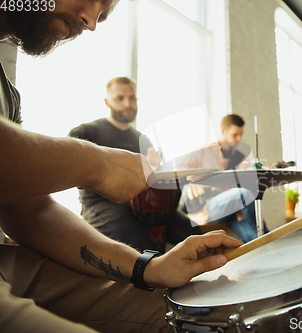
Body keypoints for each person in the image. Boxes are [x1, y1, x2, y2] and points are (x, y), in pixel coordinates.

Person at [0, 3, 242, 333]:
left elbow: (32, 211)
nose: (90, 23)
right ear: (109, 102)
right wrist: (96, 163)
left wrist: (150, 268)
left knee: (197, 318)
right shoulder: (89, 132)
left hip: (13, 260)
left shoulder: (7, 95)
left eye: (103, 15)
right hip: (109, 217)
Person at [69, 77, 201, 253]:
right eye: (120, 98)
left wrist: (155, 166)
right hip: (102, 205)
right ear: (107, 102)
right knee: (146, 252)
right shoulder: (85, 132)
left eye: (132, 98)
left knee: (193, 234)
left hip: (143, 204)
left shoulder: (142, 139)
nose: (128, 103)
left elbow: (153, 177)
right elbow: (72, 171)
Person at [180, 114, 267, 242]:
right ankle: (271, 236)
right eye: (234, 135)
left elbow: (248, 178)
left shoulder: (241, 157)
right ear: (223, 131)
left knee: (253, 236)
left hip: (233, 210)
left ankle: (268, 242)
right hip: (208, 207)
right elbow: (179, 169)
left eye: (240, 134)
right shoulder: (205, 150)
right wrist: (195, 181)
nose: (238, 139)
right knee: (247, 192)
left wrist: (260, 170)